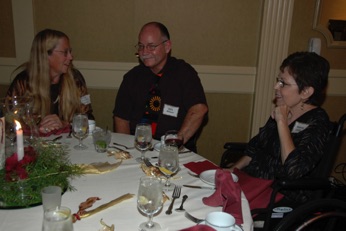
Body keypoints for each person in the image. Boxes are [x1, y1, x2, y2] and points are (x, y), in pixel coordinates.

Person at [229, 51, 331, 202]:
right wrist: (232, 170)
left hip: (282, 194)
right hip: (253, 183)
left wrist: (282, 122)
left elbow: (293, 169)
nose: (276, 86)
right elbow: (254, 148)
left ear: (305, 92)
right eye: (278, 80)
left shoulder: (318, 121)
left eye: (283, 83)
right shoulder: (283, 108)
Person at [113, 22, 208, 152]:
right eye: (141, 46)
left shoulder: (184, 73)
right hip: (138, 148)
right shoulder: (132, 77)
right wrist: (128, 151)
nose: (145, 52)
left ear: (167, 46)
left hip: (177, 150)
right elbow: (121, 118)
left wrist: (175, 144)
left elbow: (199, 109)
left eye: (151, 46)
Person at [7, 29, 94, 135]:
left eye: (70, 52)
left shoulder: (75, 80)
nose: (71, 57)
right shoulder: (24, 82)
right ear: (46, 55)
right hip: (36, 146)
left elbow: (89, 119)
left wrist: (65, 124)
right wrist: (37, 128)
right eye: (65, 52)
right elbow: (10, 122)